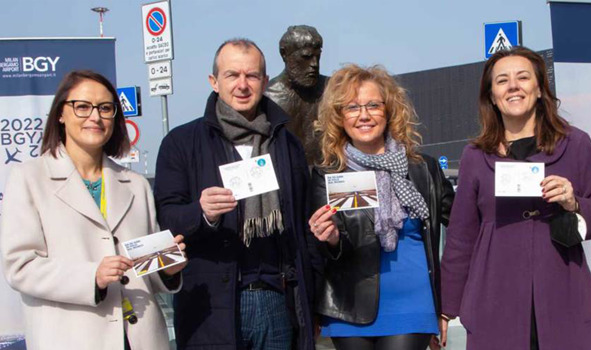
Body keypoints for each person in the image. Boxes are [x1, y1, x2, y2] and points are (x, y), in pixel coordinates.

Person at [440, 46, 591, 350]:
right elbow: (460, 237)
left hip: (564, 296)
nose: (513, 86)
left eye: (523, 77)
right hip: (494, 301)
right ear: (492, 96)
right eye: (502, 81)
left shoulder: (575, 144)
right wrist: (446, 308)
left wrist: (574, 202)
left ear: (539, 89)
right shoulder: (475, 155)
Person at [153, 38, 321, 350]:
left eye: (252, 76)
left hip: (277, 300)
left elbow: (303, 226)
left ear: (265, 82)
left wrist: (311, 301)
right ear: (214, 82)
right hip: (210, 307)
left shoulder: (286, 143)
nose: (242, 85)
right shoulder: (180, 142)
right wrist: (201, 213)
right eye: (232, 75)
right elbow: (165, 221)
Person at [0, 70, 185, 350]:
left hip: (140, 338)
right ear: (61, 113)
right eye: (82, 106)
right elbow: (20, 266)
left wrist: (168, 268)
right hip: (70, 338)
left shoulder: (135, 184)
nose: (95, 117)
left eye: (105, 108)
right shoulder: (28, 178)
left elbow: (144, 267)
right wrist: (91, 277)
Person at [308, 64, 454, 350]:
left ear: (389, 110)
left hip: (413, 302)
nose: (363, 115)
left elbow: (465, 226)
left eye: (373, 105)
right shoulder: (327, 174)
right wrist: (331, 239)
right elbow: (327, 251)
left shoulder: (423, 169)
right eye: (352, 107)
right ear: (339, 117)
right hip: (350, 304)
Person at [265, 25, 328, 164]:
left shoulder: (333, 90)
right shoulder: (266, 99)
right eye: (306, 57)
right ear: (284, 54)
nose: (314, 64)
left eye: (318, 56)